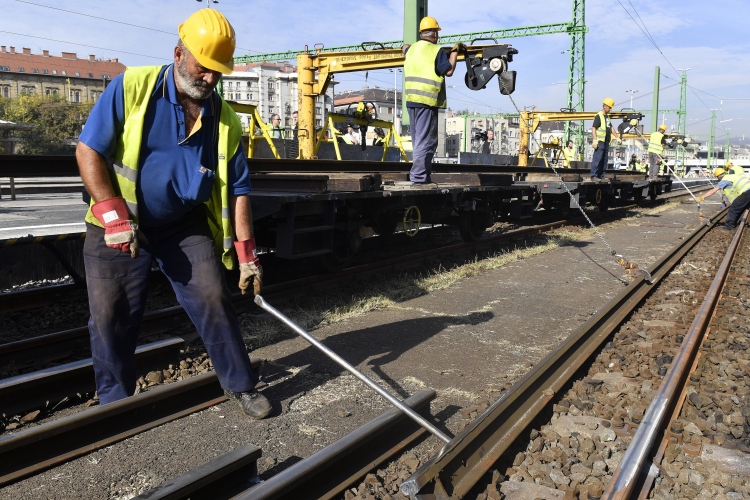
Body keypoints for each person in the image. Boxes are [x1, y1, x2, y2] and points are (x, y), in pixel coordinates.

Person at [75, 9, 271, 419]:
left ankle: (241, 384)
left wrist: (248, 256)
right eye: (204, 68)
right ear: (179, 53)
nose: (211, 80)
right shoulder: (131, 87)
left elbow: (238, 191)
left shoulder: (225, 118)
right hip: (118, 222)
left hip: (181, 225)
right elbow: (88, 149)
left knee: (213, 296)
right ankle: (115, 407)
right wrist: (113, 216)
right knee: (110, 315)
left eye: (219, 72)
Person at [402, 16, 460, 187]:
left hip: (411, 101)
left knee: (418, 140)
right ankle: (419, 177)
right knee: (425, 140)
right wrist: (455, 53)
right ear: (434, 34)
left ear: (421, 33)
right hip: (427, 101)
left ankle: (423, 175)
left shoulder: (411, 49)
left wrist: (404, 47)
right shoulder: (436, 51)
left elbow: (404, 49)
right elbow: (448, 71)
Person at [590, 97, 621, 181]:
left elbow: (611, 128)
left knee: (604, 159)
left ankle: (601, 176)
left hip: (606, 141)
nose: (610, 109)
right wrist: (595, 140)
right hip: (600, 141)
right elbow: (594, 128)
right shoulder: (599, 116)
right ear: (605, 106)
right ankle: (594, 175)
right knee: (598, 158)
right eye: (610, 107)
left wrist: (617, 137)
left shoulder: (607, 117)